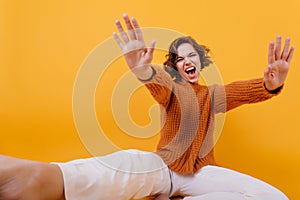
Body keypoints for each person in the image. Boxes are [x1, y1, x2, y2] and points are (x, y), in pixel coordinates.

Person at [0, 14, 294, 200]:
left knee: (272, 197)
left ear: (200, 62)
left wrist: (270, 83)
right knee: (123, 165)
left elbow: (244, 91)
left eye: (192, 56)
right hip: (161, 167)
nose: (187, 61)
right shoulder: (172, 87)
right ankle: (36, 177)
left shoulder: (214, 95)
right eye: (180, 58)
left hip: (202, 175)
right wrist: (141, 71)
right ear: (176, 67)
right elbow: (158, 86)